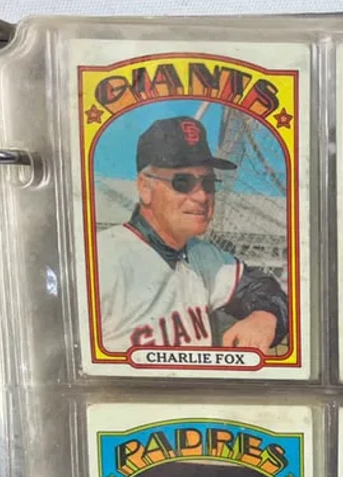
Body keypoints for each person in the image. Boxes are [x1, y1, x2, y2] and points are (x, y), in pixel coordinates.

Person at [98, 116, 288, 354]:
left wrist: (264, 317)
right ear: (145, 187)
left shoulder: (204, 256)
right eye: (182, 182)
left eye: (208, 183)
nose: (201, 196)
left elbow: (262, 287)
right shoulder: (100, 261)